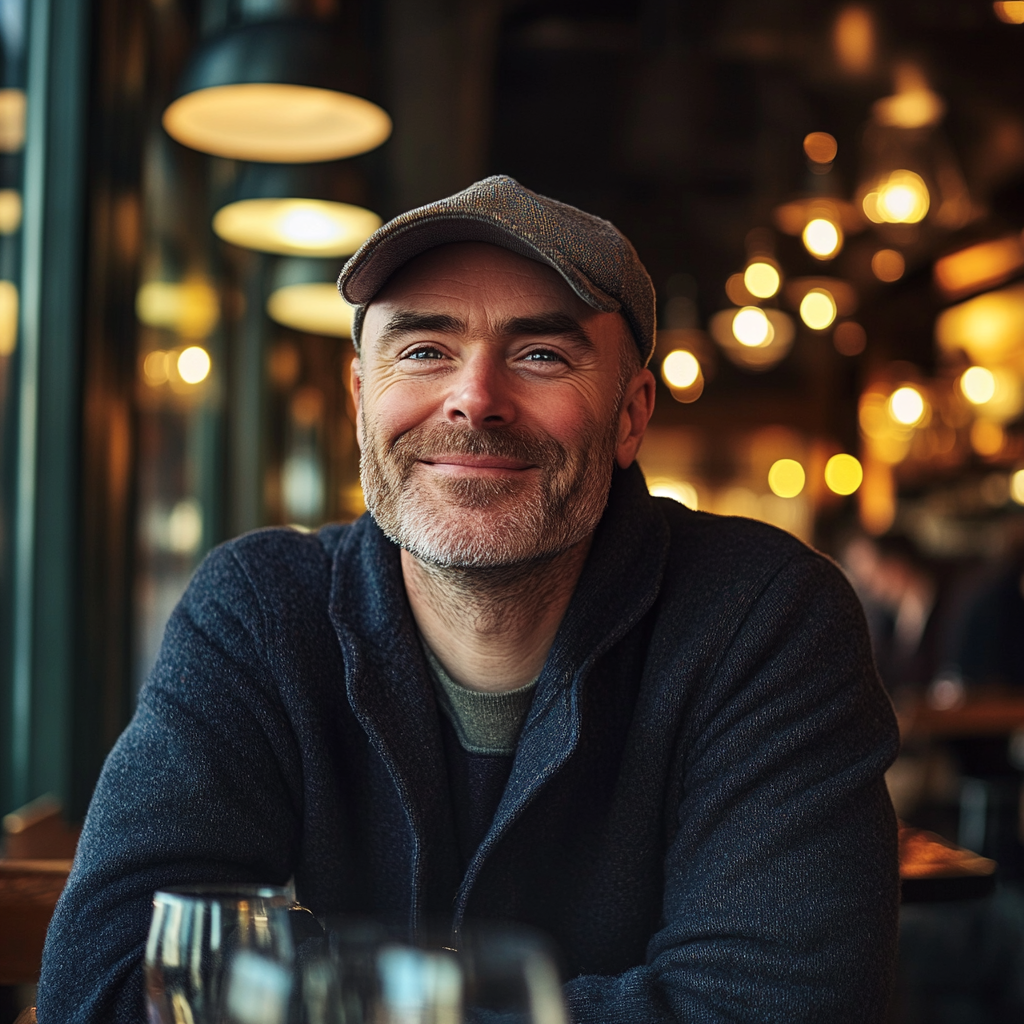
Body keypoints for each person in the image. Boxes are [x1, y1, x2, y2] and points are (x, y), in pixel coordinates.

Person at [37, 176, 899, 1023]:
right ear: (361, 396)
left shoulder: (765, 615)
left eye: (541, 355)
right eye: (422, 350)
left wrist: (308, 981)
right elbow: (110, 984)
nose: (475, 399)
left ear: (631, 415)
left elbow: (781, 1008)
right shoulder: (257, 611)